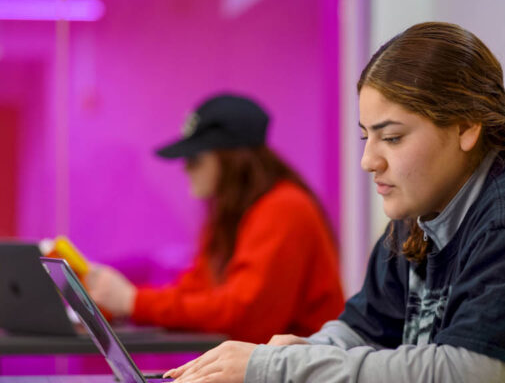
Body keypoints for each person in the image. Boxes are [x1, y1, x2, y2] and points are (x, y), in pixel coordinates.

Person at [162, 22, 505, 383]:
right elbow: (364, 330)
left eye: (392, 138)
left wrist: (281, 368)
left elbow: (480, 373)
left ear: (467, 128)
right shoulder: (419, 213)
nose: (368, 160)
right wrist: (310, 352)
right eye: (365, 136)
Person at [85, 94, 345, 343]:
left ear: (232, 160)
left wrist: (133, 302)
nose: (185, 168)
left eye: (195, 158)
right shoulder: (232, 214)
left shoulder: (285, 207)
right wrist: (120, 303)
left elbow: (243, 314)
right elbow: (196, 290)